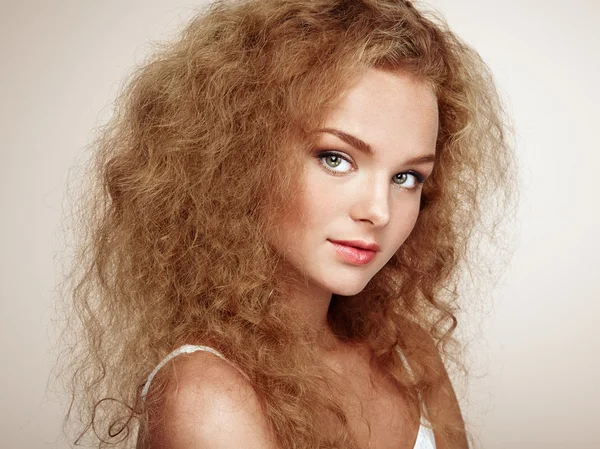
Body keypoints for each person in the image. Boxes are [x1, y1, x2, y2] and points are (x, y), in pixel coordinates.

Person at [57, 1, 516, 448]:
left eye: (407, 177)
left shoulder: (408, 356)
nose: (379, 210)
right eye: (335, 158)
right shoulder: (207, 399)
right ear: (243, 156)